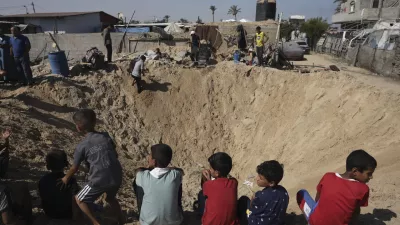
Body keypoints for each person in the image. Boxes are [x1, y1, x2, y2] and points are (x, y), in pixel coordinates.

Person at [60, 109, 123, 225]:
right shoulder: (106, 136)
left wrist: (65, 178)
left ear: (78, 127)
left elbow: (74, 168)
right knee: (110, 198)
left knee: (79, 199)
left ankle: (95, 223)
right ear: (95, 122)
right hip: (117, 175)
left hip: (99, 179)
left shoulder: (82, 146)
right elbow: (115, 154)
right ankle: (121, 220)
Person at [297, 149, 377, 225]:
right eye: (369, 174)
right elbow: (355, 213)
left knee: (301, 193)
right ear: (355, 171)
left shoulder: (328, 177)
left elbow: (317, 199)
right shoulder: (363, 189)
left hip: (314, 222)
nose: (371, 177)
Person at [133, 144, 184, 225]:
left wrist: (149, 168)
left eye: (150, 155)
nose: (148, 157)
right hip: (174, 222)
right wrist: (169, 168)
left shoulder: (143, 176)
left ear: (154, 161)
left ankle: (144, 215)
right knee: (178, 184)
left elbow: (137, 171)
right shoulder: (175, 175)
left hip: (148, 223)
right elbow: (180, 171)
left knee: (138, 184)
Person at [239, 161, 289, 225]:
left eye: (260, 178)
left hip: (257, 222)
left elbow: (252, 210)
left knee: (244, 200)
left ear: (271, 183)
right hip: (278, 222)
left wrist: (253, 199)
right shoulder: (284, 191)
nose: (257, 179)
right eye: (258, 175)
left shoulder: (261, 196)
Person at [39, 150, 80, 220]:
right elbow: (76, 200)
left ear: (47, 166)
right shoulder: (71, 180)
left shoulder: (43, 180)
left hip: (50, 213)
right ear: (66, 164)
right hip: (67, 214)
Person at [201, 152, 238, 225]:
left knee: (202, 196)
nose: (210, 170)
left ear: (217, 172)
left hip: (209, 223)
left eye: (211, 168)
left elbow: (205, 189)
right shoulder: (234, 183)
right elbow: (230, 179)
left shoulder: (208, 185)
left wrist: (206, 179)